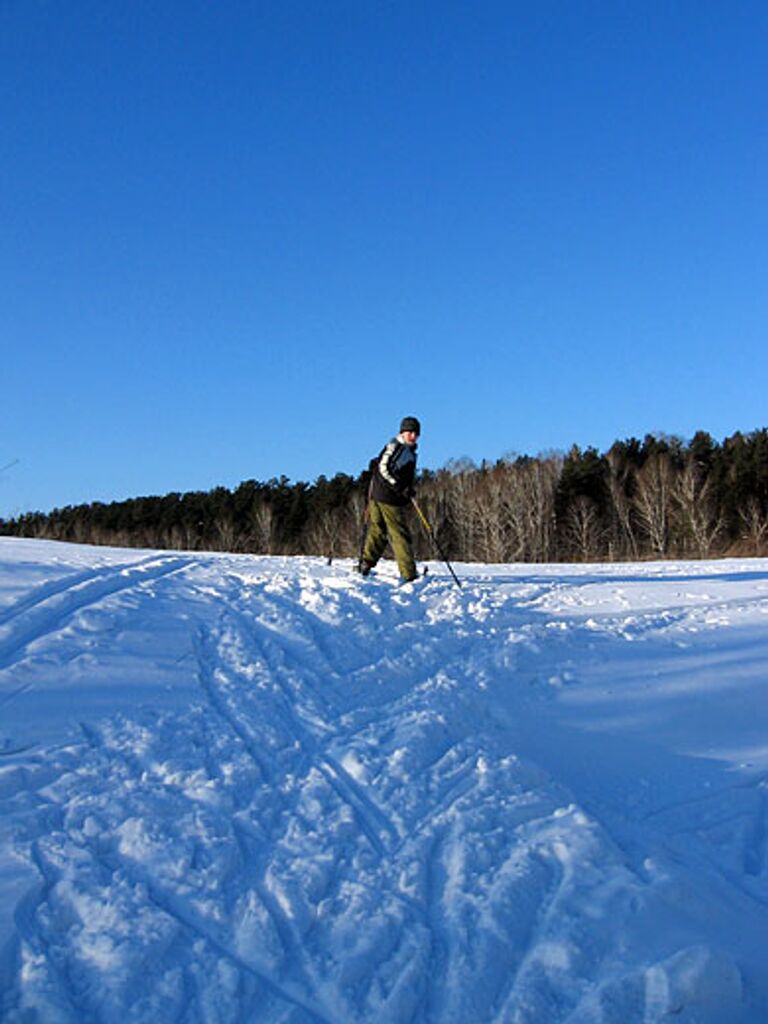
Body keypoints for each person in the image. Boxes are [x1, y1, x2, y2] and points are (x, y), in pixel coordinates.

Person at [359, 416, 421, 583]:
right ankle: (409, 574)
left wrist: (408, 489)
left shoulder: (405, 449)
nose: (413, 436)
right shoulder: (398, 447)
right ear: (402, 432)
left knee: (378, 531)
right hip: (387, 497)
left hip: (378, 494)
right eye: (410, 432)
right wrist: (401, 487)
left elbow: (381, 466)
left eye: (416, 433)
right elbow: (383, 468)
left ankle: (366, 563)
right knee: (399, 534)